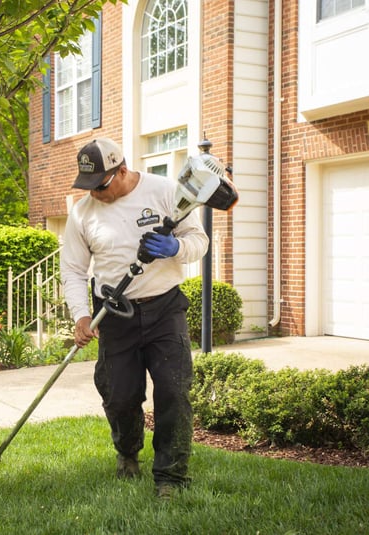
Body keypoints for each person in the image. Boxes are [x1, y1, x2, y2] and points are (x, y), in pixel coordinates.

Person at [60, 137, 209, 498]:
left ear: (122, 170)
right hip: (113, 313)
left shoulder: (166, 191)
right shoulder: (82, 212)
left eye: (101, 185)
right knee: (119, 394)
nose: (94, 193)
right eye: (88, 186)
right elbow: (74, 270)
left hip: (164, 308)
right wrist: (81, 315)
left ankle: (170, 477)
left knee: (174, 390)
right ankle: (127, 452)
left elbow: (198, 240)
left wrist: (176, 247)